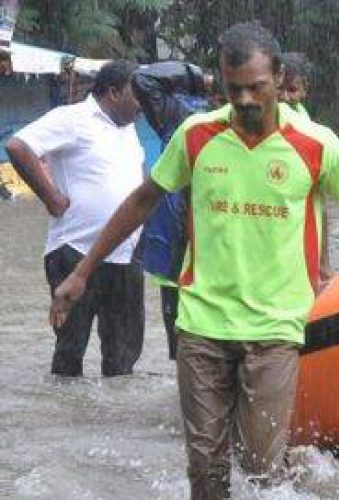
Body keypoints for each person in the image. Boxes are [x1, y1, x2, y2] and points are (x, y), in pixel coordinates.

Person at [48, 22, 339, 498]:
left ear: (279, 78)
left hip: (275, 328)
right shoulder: (196, 136)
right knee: (205, 468)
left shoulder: (316, 144)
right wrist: (81, 272)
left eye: (256, 87)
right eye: (234, 89)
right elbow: (143, 201)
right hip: (202, 323)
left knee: (262, 468)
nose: (245, 100)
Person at [4, 60, 145, 377]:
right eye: (137, 94)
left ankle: (115, 409)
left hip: (126, 255)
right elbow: (18, 146)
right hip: (74, 252)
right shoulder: (72, 118)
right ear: (113, 93)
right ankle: (64, 406)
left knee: (124, 360)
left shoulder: (130, 130)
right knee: (70, 352)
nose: (143, 103)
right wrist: (50, 197)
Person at [132, 60, 213, 360]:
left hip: (223, 237)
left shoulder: (252, 117)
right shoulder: (180, 111)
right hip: (177, 237)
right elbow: (143, 78)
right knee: (180, 334)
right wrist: (197, 76)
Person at [279, 51, 312, 120]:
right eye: (279, 88)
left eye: (292, 90)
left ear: (305, 89)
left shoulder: (304, 121)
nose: (284, 97)